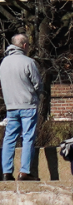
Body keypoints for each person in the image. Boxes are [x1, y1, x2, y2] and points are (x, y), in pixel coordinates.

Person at [1, 34, 41, 181]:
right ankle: (24, 171)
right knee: (28, 137)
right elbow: (37, 84)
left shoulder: (3, 63)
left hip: (11, 106)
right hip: (28, 104)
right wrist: (37, 95)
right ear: (24, 46)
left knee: (9, 138)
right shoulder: (28, 62)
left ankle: (6, 172)